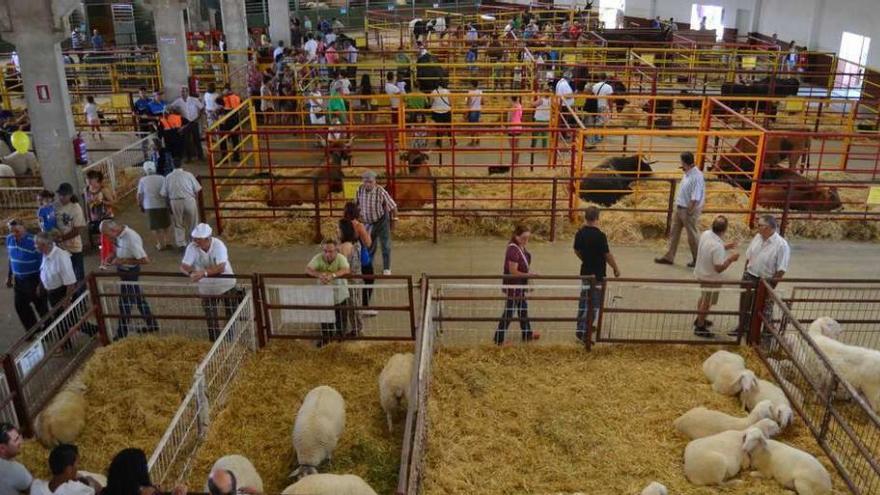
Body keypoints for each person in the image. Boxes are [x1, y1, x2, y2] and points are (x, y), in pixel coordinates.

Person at [180, 224, 239, 341]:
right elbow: (184, 266)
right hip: (206, 286)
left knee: (230, 310)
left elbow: (221, 267)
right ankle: (214, 339)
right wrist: (192, 272)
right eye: (194, 239)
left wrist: (203, 273)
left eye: (198, 239)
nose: (195, 241)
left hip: (225, 283)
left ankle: (230, 336)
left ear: (208, 239)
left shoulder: (218, 245)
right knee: (210, 313)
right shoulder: (192, 247)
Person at [734, 215, 790, 336]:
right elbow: (748, 256)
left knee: (765, 308)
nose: (757, 227)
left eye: (760, 225)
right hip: (750, 275)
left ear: (769, 227)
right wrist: (745, 272)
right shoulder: (757, 237)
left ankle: (766, 333)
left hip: (766, 280)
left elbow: (781, 269)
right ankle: (742, 327)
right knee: (745, 304)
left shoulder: (781, 245)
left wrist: (771, 286)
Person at [101, 220, 158, 338]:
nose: (105, 237)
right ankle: (152, 324)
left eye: (106, 234)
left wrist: (123, 261)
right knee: (137, 298)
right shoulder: (118, 236)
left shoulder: (131, 238)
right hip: (124, 271)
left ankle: (121, 333)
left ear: (113, 230)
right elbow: (116, 250)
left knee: (124, 303)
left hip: (130, 272)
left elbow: (145, 260)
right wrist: (111, 256)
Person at [573, 206, 620, 343]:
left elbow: (576, 250)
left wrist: (585, 259)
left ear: (585, 217)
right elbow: (607, 255)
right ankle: (584, 331)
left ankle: (580, 327)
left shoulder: (580, 233)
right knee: (594, 304)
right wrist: (615, 268)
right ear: (597, 218)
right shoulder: (600, 236)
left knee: (584, 301)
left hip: (585, 272)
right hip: (598, 275)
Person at [655, 151, 705, 267]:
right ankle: (669, 256)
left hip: (688, 209)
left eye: (681, 162)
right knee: (674, 233)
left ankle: (698, 259)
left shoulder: (696, 177)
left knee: (692, 235)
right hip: (680, 207)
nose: (680, 164)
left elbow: (695, 197)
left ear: (685, 162)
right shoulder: (687, 173)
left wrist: (689, 211)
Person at [693, 216, 739, 338]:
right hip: (711, 278)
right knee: (707, 302)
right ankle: (700, 326)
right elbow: (719, 268)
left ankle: (699, 319)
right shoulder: (717, 246)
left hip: (701, 272)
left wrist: (726, 246)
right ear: (725, 229)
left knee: (703, 297)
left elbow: (709, 249)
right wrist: (731, 259)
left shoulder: (706, 234)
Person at [494, 225, 540, 345]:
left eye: (528, 238)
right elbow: (513, 271)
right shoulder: (513, 250)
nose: (526, 241)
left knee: (522, 309)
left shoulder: (520, 247)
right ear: (516, 236)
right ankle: (499, 339)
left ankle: (527, 333)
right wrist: (528, 275)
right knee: (509, 311)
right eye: (524, 238)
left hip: (519, 285)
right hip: (514, 286)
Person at [305, 238, 351, 347]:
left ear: (336, 250)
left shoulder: (341, 258)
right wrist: (319, 275)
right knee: (325, 319)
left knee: (341, 319)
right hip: (324, 296)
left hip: (340, 295)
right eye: (325, 251)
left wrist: (333, 275)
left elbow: (346, 269)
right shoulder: (318, 258)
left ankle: (340, 341)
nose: (327, 254)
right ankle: (327, 340)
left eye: (330, 251)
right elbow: (308, 269)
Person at [6, 219, 48, 332]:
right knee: (20, 306)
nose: (14, 234)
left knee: (41, 306)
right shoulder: (9, 239)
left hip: (34, 278)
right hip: (19, 280)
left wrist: (41, 283)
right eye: (11, 231)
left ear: (23, 228)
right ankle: (34, 331)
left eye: (17, 231)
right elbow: (10, 259)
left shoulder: (33, 241)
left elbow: (43, 263)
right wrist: (9, 276)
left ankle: (50, 329)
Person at [356, 170, 396, 278]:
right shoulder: (359, 190)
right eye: (365, 182)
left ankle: (386, 267)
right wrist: (357, 218)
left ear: (375, 182)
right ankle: (368, 266)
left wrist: (394, 220)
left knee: (385, 244)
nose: (367, 184)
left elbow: (393, 206)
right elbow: (357, 204)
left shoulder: (381, 191)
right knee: (368, 244)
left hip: (381, 221)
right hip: (368, 222)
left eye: (370, 182)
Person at [161, 161, 202, 249]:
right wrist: (196, 200)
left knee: (178, 223)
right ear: (181, 165)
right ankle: (194, 241)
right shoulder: (188, 175)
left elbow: (164, 193)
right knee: (193, 221)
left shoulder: (168, 177)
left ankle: (181, 243)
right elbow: (197, 189)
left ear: (173, 165)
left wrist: (168, 205)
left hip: (175, 201)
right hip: (189, 199)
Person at [30, 444, 99, 495]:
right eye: (77, 464)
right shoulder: (78, 490)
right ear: (69, 470)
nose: (78, 467)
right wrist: (90, 481)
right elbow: (98, 490)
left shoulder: (36, 486)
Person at [54, 183, 87, 282]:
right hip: (60, 247)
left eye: (64, 195)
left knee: (77, 274)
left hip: (74, 247)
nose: (61, 197)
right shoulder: (56, 206)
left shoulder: (75, 208)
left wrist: (61, 238)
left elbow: (78, 229)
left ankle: (81, 295)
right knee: (65, 274)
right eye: (60, 195)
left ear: (70, 195)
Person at [35, 231, 76, 309]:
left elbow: (71, 282)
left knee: (67, 318)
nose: (36, 247)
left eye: (38, 245)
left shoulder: (61, 257)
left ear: (47, 244)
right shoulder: (45, 253)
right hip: (51, 293)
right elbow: (44, 270)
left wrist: (67, 300)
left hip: (61, 294)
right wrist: (41, 285)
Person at [137, 161, 171, 250]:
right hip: (162, 204)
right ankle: (167, 242)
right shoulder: (162, 178)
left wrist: (140, 205)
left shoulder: (142, 180)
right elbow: (166, 192)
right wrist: (168, 203)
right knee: (165, 224)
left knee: (155, 227)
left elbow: (140, 195)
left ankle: (160, 244)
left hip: (149, 205)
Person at [171, 87, 205, 162]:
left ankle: (201, 156)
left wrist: (199, 116)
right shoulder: (178, 101)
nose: (182, 93)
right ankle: (189, 157)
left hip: (194, 121)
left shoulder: (194, 100)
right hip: (185, 123)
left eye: (184, 92)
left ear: (187, 92)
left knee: (197, 139)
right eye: (181, 92)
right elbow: (171, 107)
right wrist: (175, 112)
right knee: (186, 141)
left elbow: (202, 108)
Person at [84, 169, 115, 249]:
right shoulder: (86, 190)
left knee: (106, 234)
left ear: (96, 179)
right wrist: (88, 217)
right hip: (94, 216)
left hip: (106, 216)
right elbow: (87, 204)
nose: (88, 181)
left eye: (90, 179)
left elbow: (113, 202)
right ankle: (103, 249)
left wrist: (102, 201)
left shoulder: (104, 190)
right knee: (98, 235)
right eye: (87, 179)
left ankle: (110, 249)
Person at [0, 422, 32, 495]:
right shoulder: (14, 469)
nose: (21, 441)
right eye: (16, 440)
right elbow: (34, 490)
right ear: (2, 448)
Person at [430, 81, 453, 146]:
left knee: (438, 127)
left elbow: (430, 103)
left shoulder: (433, 92)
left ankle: (439, 141)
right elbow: (450, 103)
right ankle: (452, 141)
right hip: (446, 111)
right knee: (449, 127)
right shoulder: (447, 91)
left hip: (437, 111)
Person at [531, 84, 552, 150]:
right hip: (547, 119)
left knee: (535, 133)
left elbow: (533, 104)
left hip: (539, 119)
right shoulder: (551, 99)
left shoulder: (541, 100)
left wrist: (532, 96)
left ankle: (533, 146)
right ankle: (544, 147)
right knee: (545, 134)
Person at [465, 80, 482, 146]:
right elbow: (483, 101)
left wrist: (466, 112)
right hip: (478, 110)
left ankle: (472, 141)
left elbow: (468, 104)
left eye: (470, 84)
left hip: (472, 111)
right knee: (477, 125)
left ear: (472, 85)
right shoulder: (480, 92)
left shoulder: (469, 92)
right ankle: (478, 139)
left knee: (472, 127)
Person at [508, 95, 523, 166]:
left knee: (512, 147)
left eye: (509, 99)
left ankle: (513, 162)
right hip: (519, 126)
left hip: (512, 128)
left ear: (511, 100)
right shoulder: (520, 106)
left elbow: (509, 120)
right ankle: (516, 161)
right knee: (517, 145)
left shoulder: (511, 108)